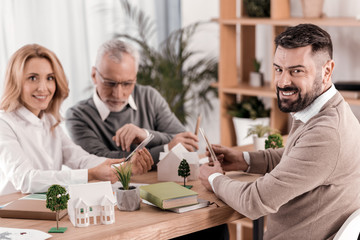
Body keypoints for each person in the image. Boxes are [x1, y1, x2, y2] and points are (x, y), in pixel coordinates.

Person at [199, 24, 360, 239]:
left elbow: (253, 202)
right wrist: (244, 160)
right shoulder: (325, 110)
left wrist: (214, 179)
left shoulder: (326, 133)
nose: (283, 82)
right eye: (278, 69)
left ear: (327, 70)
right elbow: (296, 158)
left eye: (297, 71)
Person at [0, 44, 153, 196]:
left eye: (50, 78)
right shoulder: (4, 123)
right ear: (16, 81)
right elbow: (25, 180)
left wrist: (124, 167)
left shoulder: (49, 120)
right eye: (32, 78)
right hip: (12, 212)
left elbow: (80, 159)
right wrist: (90, 174)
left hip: (48, 207)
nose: (43, 87)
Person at [65, 39, 198, 164]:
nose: (118, 94)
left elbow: (187, 143)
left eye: (127, 83)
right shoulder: (77, 116)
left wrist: (145, 135)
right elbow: (102, 161)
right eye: (110, 83)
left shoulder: (149, 97)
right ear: (94, 75)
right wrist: (167, 149)